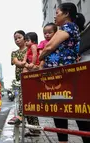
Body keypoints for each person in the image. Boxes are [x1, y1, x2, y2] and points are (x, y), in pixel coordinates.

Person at [39, 2, 90, 143]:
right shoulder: (66, 28)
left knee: (76, 111)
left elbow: (49, 46)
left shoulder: (68, 27)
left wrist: (40, 56)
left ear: (66, 14)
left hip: (67, 76)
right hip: (60, 76)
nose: (55, 17)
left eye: (57, 13)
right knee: (60, 110)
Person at [8, 30, 40, 137]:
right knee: (26, 101)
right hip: (20, 80)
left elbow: (35, 61)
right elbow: (17, 62)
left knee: (29, 102)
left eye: (19, 38)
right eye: (15, 39)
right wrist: (26, 64)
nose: (17, 40)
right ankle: (34, 130)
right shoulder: (15, 53)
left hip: (31, 78)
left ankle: (23, 118)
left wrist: (29, 65)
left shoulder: (31, 48)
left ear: (25, 38)